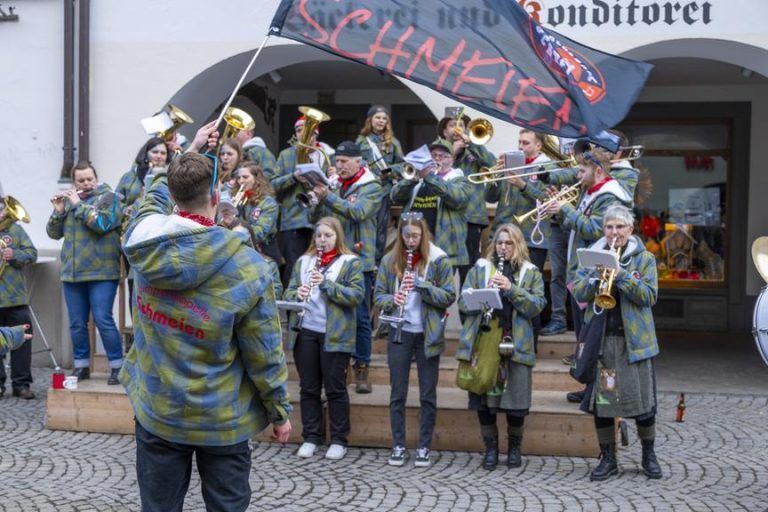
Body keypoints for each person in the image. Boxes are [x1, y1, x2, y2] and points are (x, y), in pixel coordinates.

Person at [121, 151, 292, 512]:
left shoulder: (142, 240)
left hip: (159, 408)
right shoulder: (249, 267)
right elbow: (264, 352)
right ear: (217, 196)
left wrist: (181, 155)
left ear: (171, 194)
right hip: (221, 416)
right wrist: (279, 410)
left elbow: (148, 205)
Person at [571, 205, 662, 481]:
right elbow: (579, 292)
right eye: (609, 227)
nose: (614, 232)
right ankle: (608, 457)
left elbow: (649, 296)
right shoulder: (592, 257)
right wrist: (597, 276)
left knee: (643, 402)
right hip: (604, 340)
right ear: (604, 230)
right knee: (603, 401)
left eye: (620, 227)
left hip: (634, 342)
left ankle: (649, 454)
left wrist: (620, 275)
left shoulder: (644, 258)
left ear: (630, 230)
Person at [456, 223, 546, 470]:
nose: (503, 247)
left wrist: (511, 289)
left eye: (508, 243)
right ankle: (491, 449)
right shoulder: (481, 268)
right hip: (485, 339)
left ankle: (515, 449)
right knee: (484, 398)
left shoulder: (531, 272)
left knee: (516, 399)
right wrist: (483, 296)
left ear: (518, 245)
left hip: (516, 341)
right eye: (499, 242)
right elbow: (463, 303)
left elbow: (536, 306)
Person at [374, 213, 455, 467]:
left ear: (424, 235)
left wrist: (422, 286)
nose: (411, 241)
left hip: (427, 333)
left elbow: (448, 296)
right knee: (397, 393)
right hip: (400, 331)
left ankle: (423, 446)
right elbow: (378, 297)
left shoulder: (438, 259)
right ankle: (398, 444)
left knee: (427, 394)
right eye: (406, 236)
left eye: (415, 236)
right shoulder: (390, 260)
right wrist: (392, 300)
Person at [283, 216, 363, 461]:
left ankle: (339, 439)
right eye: (319, 235)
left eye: (328, 235)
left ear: (337, 236)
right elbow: (288, 290)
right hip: (306, 331)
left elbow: (356, 295)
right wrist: (297, 292)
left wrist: (327, 284)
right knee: (308, 388)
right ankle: (311, 436)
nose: (322, 240)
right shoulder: (304, 261)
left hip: (334, 334)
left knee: (335, 388)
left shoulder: (351, 262)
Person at [308, 141, 383, 394]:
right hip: (332, 258)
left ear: (358, 162)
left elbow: (359, 212)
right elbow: (315, 220)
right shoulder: (336, 185)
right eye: (336, 161)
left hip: (359, 260)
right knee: (331, 313)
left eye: (343, 162)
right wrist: (317, 199)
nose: (338, 166)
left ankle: (362, 366)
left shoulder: (371, 186)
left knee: (361, 318)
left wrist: (328, 196)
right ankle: (337, 366)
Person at [47, 163, 123, 384]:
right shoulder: (71, 202)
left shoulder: (110, 197)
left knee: (103, 319)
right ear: (74, 183)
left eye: (89, 179)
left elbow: (102, 223)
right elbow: (53, 234)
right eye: (81, 181)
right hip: (72, 273)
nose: (86, 183)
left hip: (102, 272)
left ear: (96, 178)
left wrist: (78, 205)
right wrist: (58, 212)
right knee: (77, 323)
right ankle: (81, 367)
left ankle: (117, 366)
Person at [272, 115, 333, 289]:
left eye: (307, 131)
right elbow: (272, 185)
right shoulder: (286, 155)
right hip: (294, 220)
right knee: (294, 267)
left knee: (320, 265)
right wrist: (293, 177)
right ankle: (293, 306)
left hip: (321, 219)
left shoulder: (326, 155)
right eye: (298, 131)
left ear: (315, 134)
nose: (302, 135)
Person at [390, 139, 471, 269]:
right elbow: (395, 196)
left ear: (452, 160)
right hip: (413, 244)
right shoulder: (418, 179)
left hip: (444, 248)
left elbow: (457, 199)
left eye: (444, 156)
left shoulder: (459, 180)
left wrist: (429, 177)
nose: (438, 159)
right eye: (434, 155)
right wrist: (411, 179)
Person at [438, 110, 496, 286]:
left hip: (472, 217)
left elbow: (492, 164)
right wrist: (452, 152)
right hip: (445, 219)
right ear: (444, 131)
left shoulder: (474, 148)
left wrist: (472, 143)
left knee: (470, 268)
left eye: (461, 125)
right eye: (452, 125)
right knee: (442, 268)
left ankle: (468, 309)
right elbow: (433, 173)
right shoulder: (437, 149)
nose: (456, 129)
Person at [356, 105, 405, 265]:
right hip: (365, 190)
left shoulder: (393, 142)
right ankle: (364, 262)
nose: (381, 121)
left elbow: (403, 166)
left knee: (381, 230)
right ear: (370, 120)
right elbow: (354, 164)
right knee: (364, 228)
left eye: (384, 118)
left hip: (384, 190)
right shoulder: (361, 141)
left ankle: (376, 263)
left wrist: (389, 171)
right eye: (378, 117)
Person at [0, 199, 38, 399]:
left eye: (1, 209)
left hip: (15, 298)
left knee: (22, 341)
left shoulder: (16, 231)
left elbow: (32, 254)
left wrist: (14, 254)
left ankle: (21, 384)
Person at [232, 162, 281, 263]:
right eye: (238, 178)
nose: (241, 181)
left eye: (245, 177)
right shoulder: (239, 199)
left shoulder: (268, 202)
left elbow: (261, 231)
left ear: (256, 179)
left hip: (265, 254)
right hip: (241, 252)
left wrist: (235, 230)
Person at [117, 137, 171, 219]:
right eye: (155, 152)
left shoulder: (171, 176)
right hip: (132, 220)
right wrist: (125, 210)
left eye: (163, 153)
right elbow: (116, 202)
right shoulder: (129, 176)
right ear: (145, 154)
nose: (159, 156)